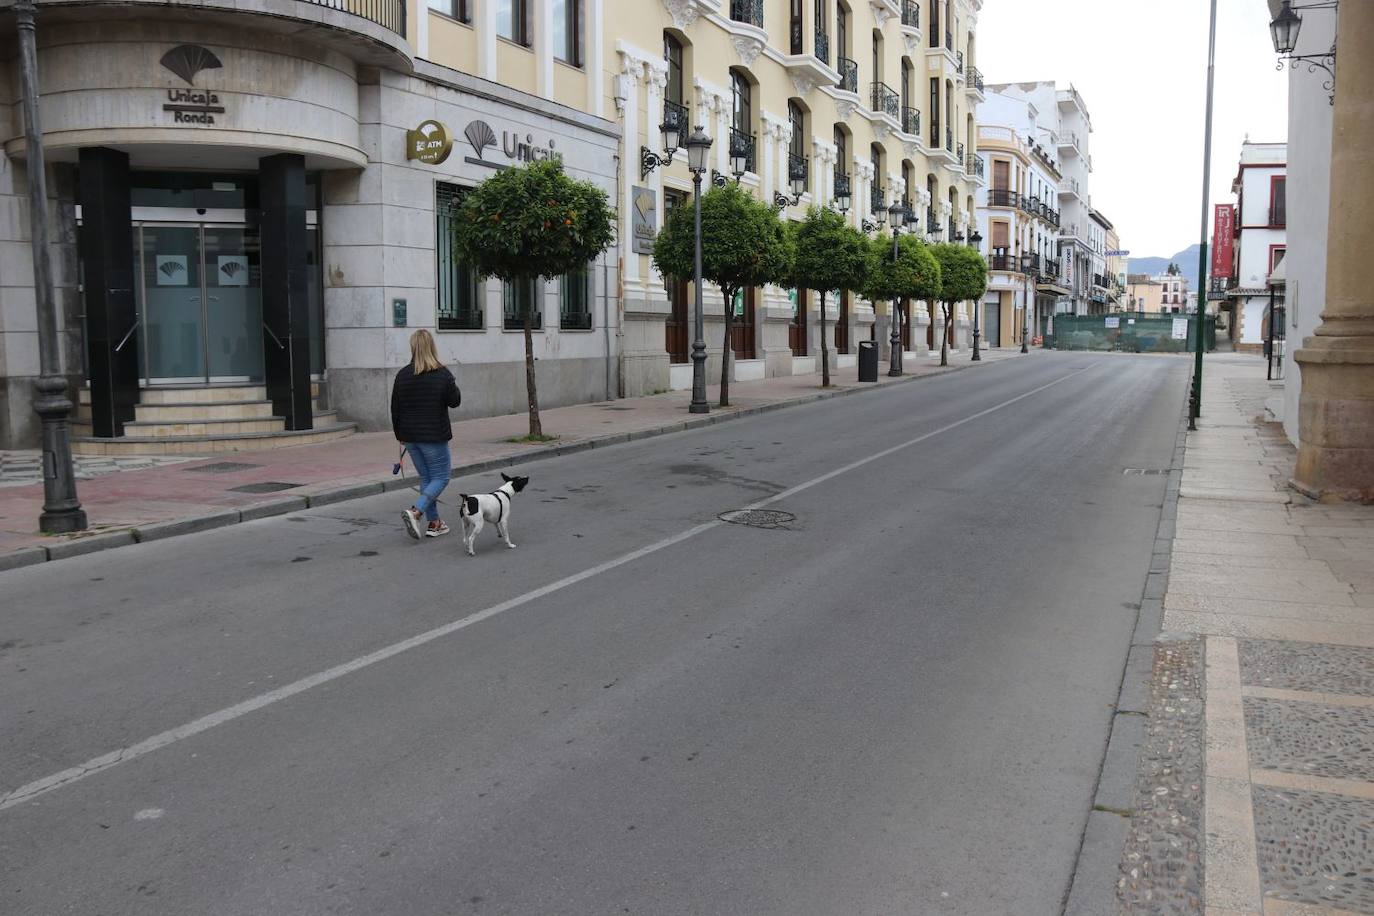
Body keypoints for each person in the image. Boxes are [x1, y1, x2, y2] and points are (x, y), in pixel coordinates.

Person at [391, 329, 461, 540]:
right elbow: (455, 401)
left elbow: (395, 408)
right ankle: (416, 511)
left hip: (410, 437)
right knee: (441, 477)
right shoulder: (442, 373)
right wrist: (451, 381)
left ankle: (435, 523)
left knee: (427, 478)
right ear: (432, 347)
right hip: (434, 435)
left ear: (413, 347)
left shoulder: (402, 375)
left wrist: (399, 435)